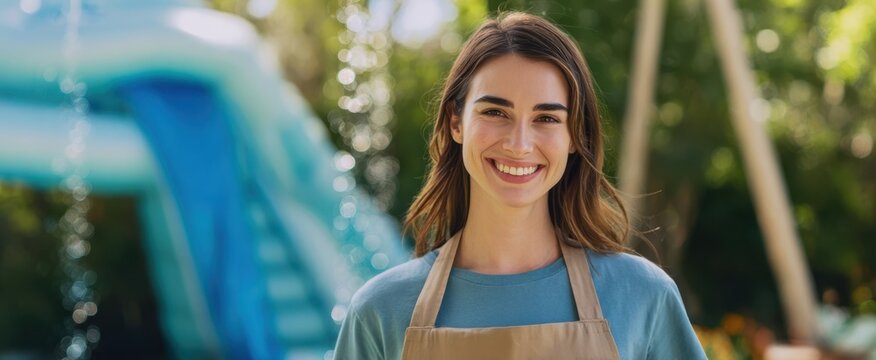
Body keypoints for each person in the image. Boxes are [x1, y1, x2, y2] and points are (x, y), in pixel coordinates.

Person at [333, 11, 707, 360]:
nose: (519, 143)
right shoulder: (380, 312)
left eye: (546, 117)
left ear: (575, 136)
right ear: (456, 122)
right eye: (495, 112)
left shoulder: (643, 296)